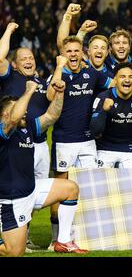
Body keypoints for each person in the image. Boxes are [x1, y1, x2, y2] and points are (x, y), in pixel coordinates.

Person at [0, 79, 88, 256]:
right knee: (14, 252)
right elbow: (15, 117)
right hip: (12, 200)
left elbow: (51, 116)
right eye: (17, 108)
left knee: (70, 189)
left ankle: (63, 241)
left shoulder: (27, 128)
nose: (24, 112)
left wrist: (60, 93)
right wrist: (30, 91)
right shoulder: (3, 130)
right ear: (4, 115)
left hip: (31, 189)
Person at [46, 36, 113, 249]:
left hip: (87, 141)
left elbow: (114, 84)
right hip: (64, 141)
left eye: (76, 51)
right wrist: (59, 68)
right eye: (69, 52)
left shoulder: (91, 74)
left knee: (90, 188)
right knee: (60, 190)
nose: (73, 54)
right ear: (63, 55)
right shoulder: (59, 75)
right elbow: (50, 96)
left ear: (82, 53)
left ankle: (86, 235)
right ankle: (56, 238)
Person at [0, 22, 51, 250]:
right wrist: (9, 31)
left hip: (40, 142)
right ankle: (9, 236)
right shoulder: (9, 77)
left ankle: (24, 234)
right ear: (15, 64)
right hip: (13, 142)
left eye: (31, 57)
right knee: (14, 188)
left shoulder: (40, 81)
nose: (29, 61)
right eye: (24, 59)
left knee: (31, 193)